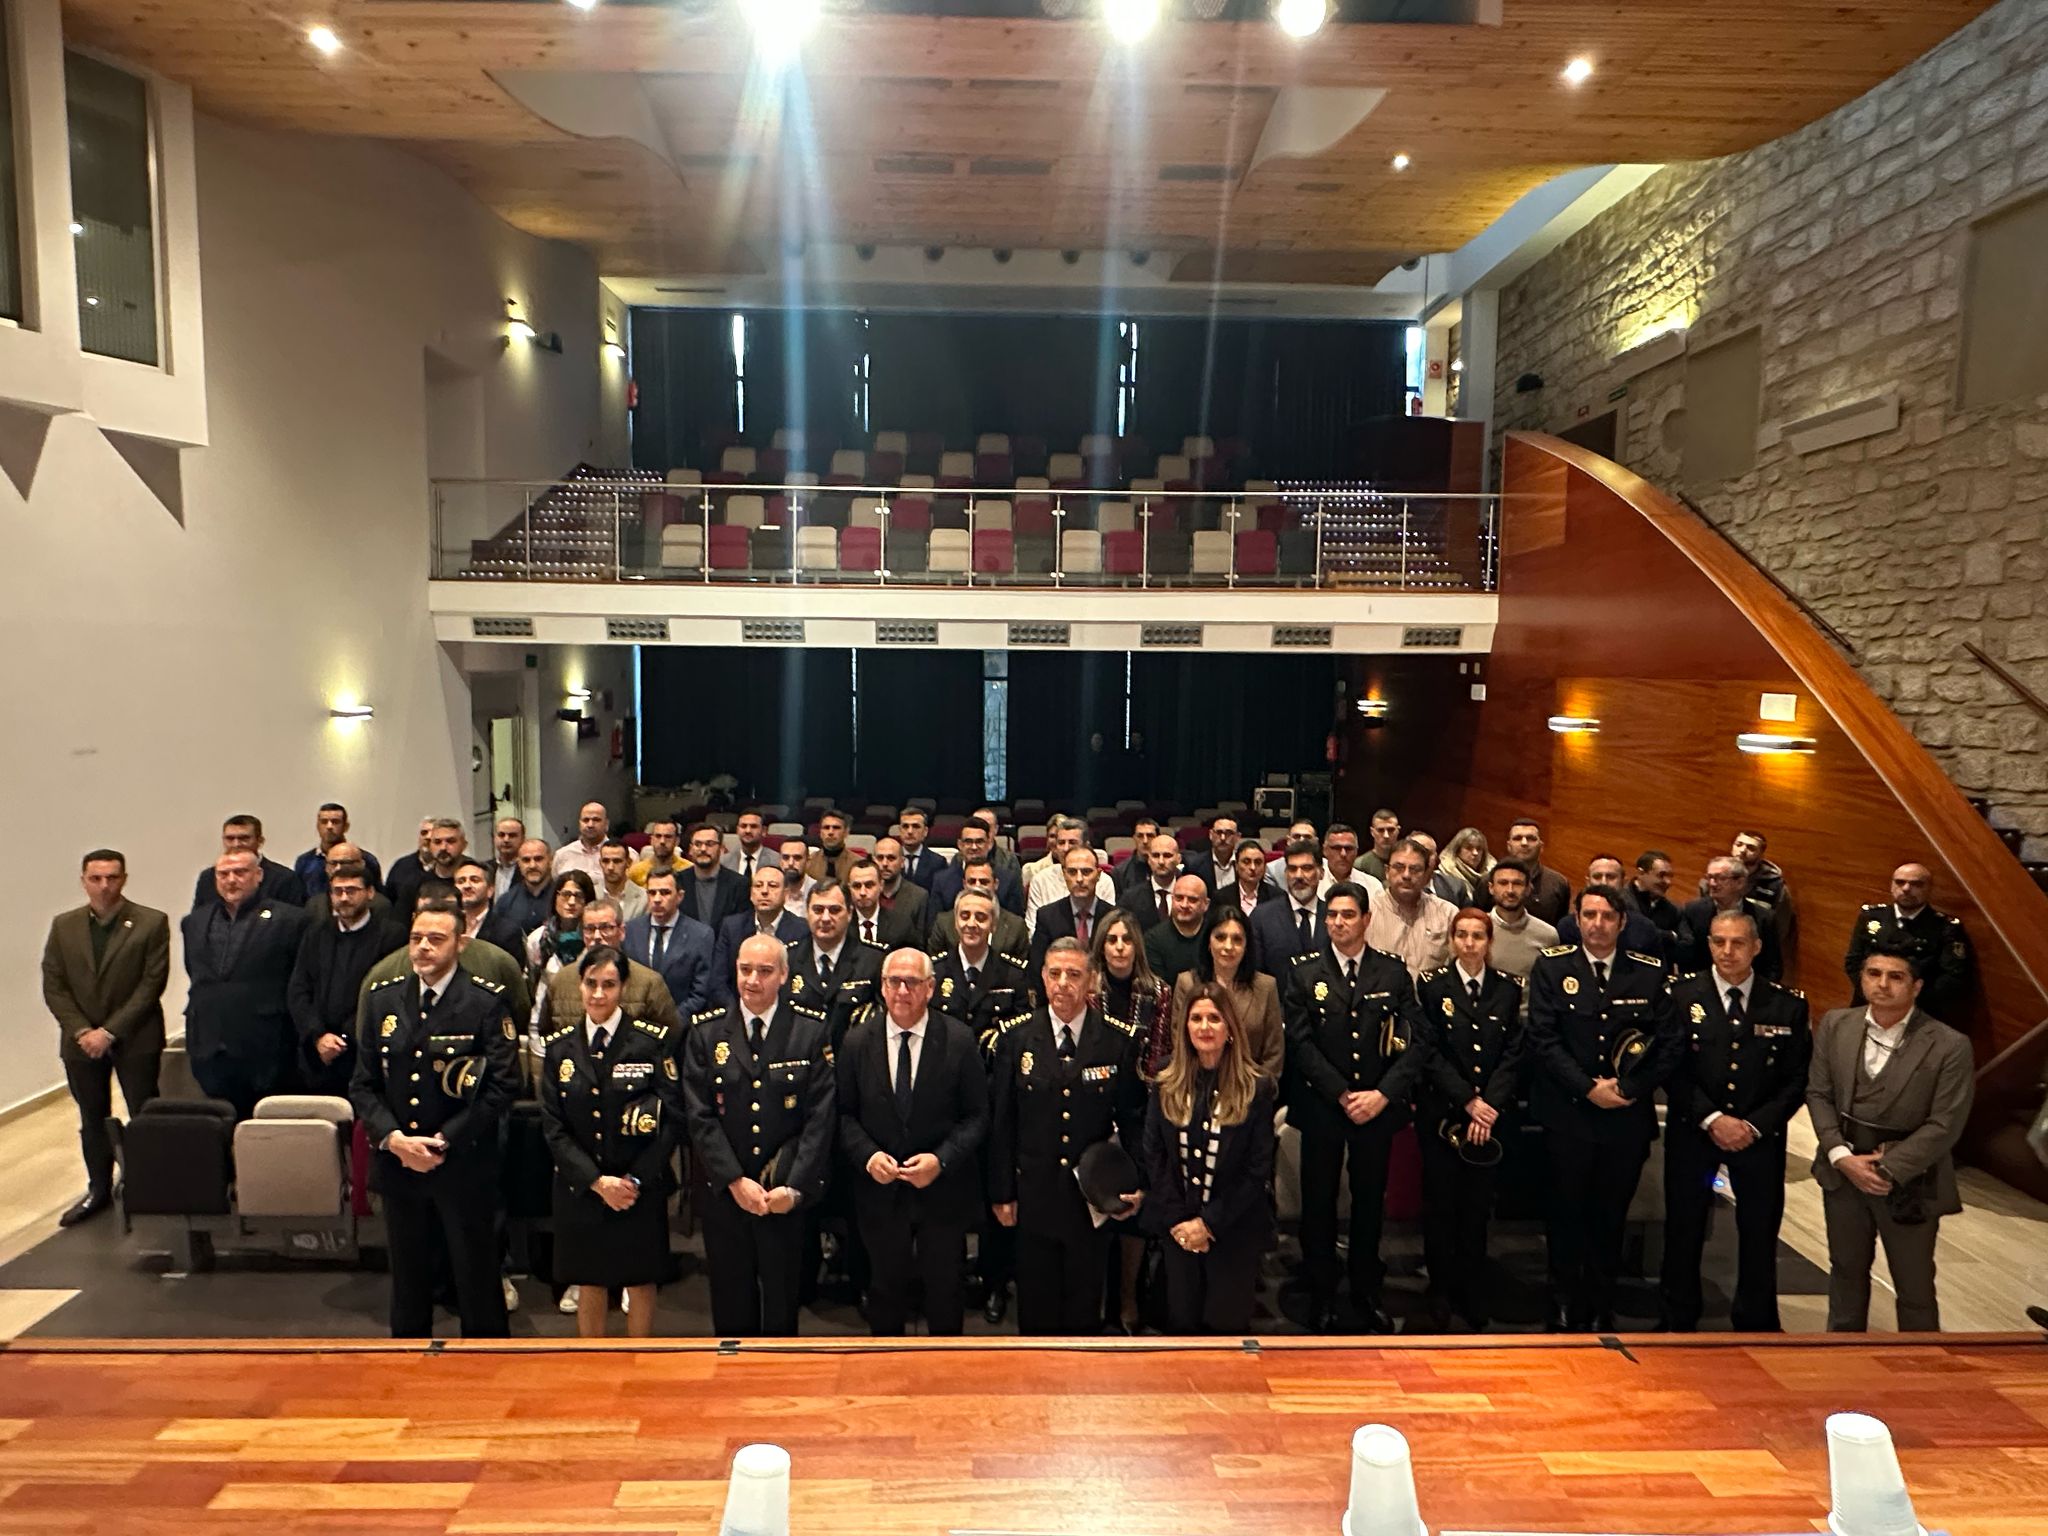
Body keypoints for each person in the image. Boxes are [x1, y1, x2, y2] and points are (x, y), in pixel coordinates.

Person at [351, 905, 519, 1338]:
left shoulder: (484, 1001)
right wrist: (393, 1139)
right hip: (400, 1164)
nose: (423, 947)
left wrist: (446, 1140)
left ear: (460, 944)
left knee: (476, 1279)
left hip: (462, 1163)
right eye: (416, 938)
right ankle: (410, 1364)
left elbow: (503, 1085)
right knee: (408, 1282)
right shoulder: (383, 999)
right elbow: (364, 1085)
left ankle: (486, 1366)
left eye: (436, 939)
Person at [1525, 886, 1683, 1331]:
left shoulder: (1648, 972)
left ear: (1622, 922)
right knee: (1565, 1213)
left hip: (1625, 1117)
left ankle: (1600, 1300)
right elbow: (1542, 1038)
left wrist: (1630, 1087)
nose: (1597, 924)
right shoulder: (1552, 966)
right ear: (1576, 919)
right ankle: (1563, 1297)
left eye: (1607, 916)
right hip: (1568, 1114)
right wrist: (1587, 1087)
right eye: (1589, 915)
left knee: (1611, 1215)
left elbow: (1669, 1044)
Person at [1283, 880, 1430, 1333]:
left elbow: (1416, 1040)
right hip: (1324, 1106)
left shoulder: (1392, 971)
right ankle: (1322, 1290)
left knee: (1369, 1203)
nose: (1338, 923)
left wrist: (1382, 1095)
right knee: (1318, 1202)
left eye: (1348, 915)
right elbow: (1300, 1043)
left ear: (1367, 920)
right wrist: (1341, 1093)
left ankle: (1366, 1289)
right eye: (1331, 915)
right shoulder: (1304, 972)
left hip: (1376, 1107)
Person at [1808, 939, 1975, 1333]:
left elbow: (1946, 1123)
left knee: (1913, 1286)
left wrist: (1887, 1169)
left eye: (1895, 977)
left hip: (1911, 1179)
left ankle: (1922, 1364)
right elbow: (1818, 1094)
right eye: (1874, 973)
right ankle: (1843, 1354)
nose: (1882, 984)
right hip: (1843, 1170)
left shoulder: (1949, 1045)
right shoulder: (1836, 1024)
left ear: (1916, 986)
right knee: (1845, 1271)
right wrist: (1841, 1157)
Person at [1659, 909, 1811, 1333]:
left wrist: (1753, 1125)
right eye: (1719, 942)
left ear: (1756, 947)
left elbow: (1797, 1078)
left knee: (1759, 1232)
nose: (1727, 951)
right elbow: (1670, 1068)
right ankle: (1677, 1319)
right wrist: (1712, 1118)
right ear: (1708, 945)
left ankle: (1756, 1323)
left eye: (1738, 942)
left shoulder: (1786, 1004)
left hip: (1758, 1137)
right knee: (1684, 1228)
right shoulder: (1680, 995)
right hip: (1695, 1130)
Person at [988, 937, 1147, 1334]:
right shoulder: (1016, 1038)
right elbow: (1003, 1122)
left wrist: (1136, 1185)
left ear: (1091, 981)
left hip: (1089, 1200)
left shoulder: (1117, 1039)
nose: (1063, 983)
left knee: (1083, 1310)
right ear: (1042, 978)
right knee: (1035, 1311)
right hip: (1034, 1196)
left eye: (1073, 975)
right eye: (1055, 973)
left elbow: (1132, 1120)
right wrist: (1002, 1193)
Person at [683, 933, 836, 1336]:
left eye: (765, 971)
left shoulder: (809, 1031)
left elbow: (819, 1118)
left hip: (782, 1194)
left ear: (784, 975)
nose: (753, 980)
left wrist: (794, 1187)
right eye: (745, 969)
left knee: (783, 1306)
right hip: (727, 1195)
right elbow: (699, 1115)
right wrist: (734, 1180)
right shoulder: (707, 1033)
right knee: (731, 1306)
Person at [838, 948, 989, 1335]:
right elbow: (843, 1116)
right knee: (885, 1295)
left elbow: (977, 1116)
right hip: (881, 1194)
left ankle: (942, 1371)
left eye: (912, 982)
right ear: (882, 987)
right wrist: (868, 1156)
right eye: (894, 982)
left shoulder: (959, 1040)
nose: (902, 991)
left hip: (943, 1193)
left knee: (945, 1294)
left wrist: (942, 1160)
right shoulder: (857, 1042)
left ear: (930, 988)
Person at [538, 945, 683, 1339]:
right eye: (591, 984)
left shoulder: (650, 1043)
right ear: (579, 986)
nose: (598, 994)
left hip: (638, 1186)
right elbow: (553, 1125)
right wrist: (596, 1182)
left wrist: (634, 1180)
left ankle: (642, 1359)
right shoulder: (560, 1048)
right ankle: (593, 1361)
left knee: (640, 1278)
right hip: (583, 1187)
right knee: (590, 1279)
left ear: (623, 987)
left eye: (609, 984)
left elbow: (671, 1119)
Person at [42, 848, 169, 1227]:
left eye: (112, 878)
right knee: (91, 1116)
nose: (104, 886)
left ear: (124, 879)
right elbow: (54, 984)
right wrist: (82, 1030)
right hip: (80, 1041)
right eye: (95, 879)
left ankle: (151, 1185)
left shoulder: (150, 922)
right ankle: (98, 1188)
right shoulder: (64, 926)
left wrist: (110, 1031)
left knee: (143, 1112)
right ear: (83, 881)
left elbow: (151, 985)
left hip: (135, 1036)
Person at [1141, 984, 1278, 1335]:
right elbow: (1154, 1153)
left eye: (1214, 1018)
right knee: (1181, 1326)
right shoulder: (1165, 1077)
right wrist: (1180, 1221)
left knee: (1225, 1329)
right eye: (1196, 1018)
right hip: (1178, 1229)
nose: (1204, 1027)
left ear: (1230, 1027)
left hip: (1232, 1230)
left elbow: (1257, 1169)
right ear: (1185, 1027)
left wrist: (1209, 1224)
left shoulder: (1256, 1086)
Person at [1415, 910, 1523, 1331]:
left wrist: (1488, 1104)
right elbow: (1428, 1050)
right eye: (1461, 935)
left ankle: (1471, 1286)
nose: (1469, 943)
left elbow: (1513, 1052)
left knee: (1477, 1207)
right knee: (1441, 1204)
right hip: (1444, 1114)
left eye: (1478, 936)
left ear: (1489, 941)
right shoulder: (1431, 986)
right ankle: (1440, 1288)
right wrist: (1467, 1101)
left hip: (1489, 1120)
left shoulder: (1508, 989)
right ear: (1451, 940)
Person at [1086, 908, 1173, 1330]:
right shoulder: (1088, 990)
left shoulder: (1158, 993)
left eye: (1126, 940)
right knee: (1095, 1210)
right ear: (1101, 946)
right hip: (1092, 1107)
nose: (1119, 947)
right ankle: (1097, 1301)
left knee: (1132, 1213)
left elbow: (1158, 1058)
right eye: (1111, 939)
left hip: (1140, 1108)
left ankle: (1127, 1300)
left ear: (1137, 946)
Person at [181, 849, 311, 1118]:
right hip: (209, 1044)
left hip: (266, 1044)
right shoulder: (194, 922)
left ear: (258, 875)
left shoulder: (290, 920)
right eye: (223, 874)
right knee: (218, 1123)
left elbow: (300, 979)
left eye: (240, 873)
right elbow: (197, 973)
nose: (231, 880)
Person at [286, 860, 405, 1097]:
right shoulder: (316, 933)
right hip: (317, 1053)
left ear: (370, 893)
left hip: (364, 1051)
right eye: (337, 891)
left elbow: (387, 994)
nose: (344, 898)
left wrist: (342, 1039)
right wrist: (318, 1035)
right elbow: (299, 989)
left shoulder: (391, 935)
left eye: (351, 891)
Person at [539, 898, 683, 1039]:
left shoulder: (649, 983)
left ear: (622, 931)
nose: (597, 936)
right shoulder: (561, 980)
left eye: (606, 928)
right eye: (590, 929)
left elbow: (671, 1037)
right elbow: (547, 1035)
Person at [1845, 863, 1973, 1020]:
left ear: (1929, 888)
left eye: (1916, 884)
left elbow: (1952, 977)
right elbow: (1853, 962)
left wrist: (1904, 1000)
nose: (1906, 888)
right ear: (1892, 886)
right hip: (1868, 1005)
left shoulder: (1945, 927)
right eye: (1900, 882)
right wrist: (1875, 994)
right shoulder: (1871, 917)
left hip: (1918, 1013)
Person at [1172, 910, 1283, 1082]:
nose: (1228, 946)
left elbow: (1274, 1054)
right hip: (1197, 1086)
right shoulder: (1187, 983)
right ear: (1208, 942)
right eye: (1220, 937)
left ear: (1246, 946)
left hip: (1250, 1088)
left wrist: (1256, 1090)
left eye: (1237, 939)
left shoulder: (1266, 987)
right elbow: (1179, 1044)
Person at [786, 878, 883, 1051]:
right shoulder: (788, 958)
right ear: (806, 912)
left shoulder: (873, 961)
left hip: (854, 1058)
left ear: (850, 913)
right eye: (818, 910)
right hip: (802, 1060)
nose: (825, 918)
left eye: (834, 910)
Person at [933, 889, 1031, 1045]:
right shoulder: (935, 971)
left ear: (994, 925)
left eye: (981, 917)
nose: (971, 924)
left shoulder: (1013, 975)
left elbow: (1021, 1031)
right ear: (955, 922)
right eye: (964, 916)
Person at [623, 868, 715, 1018]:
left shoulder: (700, 935)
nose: (657, 899)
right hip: (636, 1023)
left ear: (680, 896)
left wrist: (673, 1021)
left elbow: (700, 992)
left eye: (665, 893)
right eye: (652, 893)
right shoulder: (631, 930)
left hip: (682, 1023)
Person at [712, 865, 808, 1003]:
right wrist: (739, 1011)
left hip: (785, 1009)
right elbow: (718, 980)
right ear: (751, 894)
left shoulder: (802, 930)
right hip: (737, 1009)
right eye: (758, 886)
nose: (764, 891)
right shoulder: (732, 927)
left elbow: (800, 980)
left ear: (786, 894)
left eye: (772, 886)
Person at [1677, 857, 1782, 980]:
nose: (1712, 883)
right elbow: (1686, 958)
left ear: (1740, 883)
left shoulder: (1764, 918)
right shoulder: (1693, 911)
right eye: (1709, 877)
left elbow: (1772, 965)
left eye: (1720, 878)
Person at [1366, 838, 1458, 978]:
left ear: (1426, 875)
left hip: (1432, 992)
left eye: (1415, 869)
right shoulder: (1368, 912)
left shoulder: (1447, 914)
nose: (1406, 875)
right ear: (1387, 871)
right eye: (1399, 867)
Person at [1557, 854, 1668, 962]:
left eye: (1611, 877)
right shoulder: (1568, 926)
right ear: (1588, 882)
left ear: (1623, 882)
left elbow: (1655, 971)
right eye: (1597, 877)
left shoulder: (1645, 928)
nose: (1604, 882)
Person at [1029, 844, 1114, 980]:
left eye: (1086, 872)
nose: (1079, 879)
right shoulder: (1047, 916)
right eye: (1072, 872)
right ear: (1064, 875)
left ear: (1098, 875)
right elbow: (1038, 969)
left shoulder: (1113, 917)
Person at [189, 814, 306, 912]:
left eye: (244, 838)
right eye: (230, 839)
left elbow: (293, 922)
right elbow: (199, 920)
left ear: (260, 841)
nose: (236, 844)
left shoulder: (283, 878)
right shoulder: (208, 877)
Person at [1250, 838, 1325, 976]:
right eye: (1292, 869)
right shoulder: (1262, 917)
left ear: (1321, 872)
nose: (1298, 876)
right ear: (1285, 873)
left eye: (1306, 868)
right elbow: (1257, 975)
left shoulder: (1334, 916)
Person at [929, 856, 1030, 956]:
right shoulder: (944, 923)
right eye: (972, 881)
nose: (977, 886)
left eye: (984, 882)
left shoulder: (1016, 927)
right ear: (964, 884)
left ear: (996, 884)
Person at [1024, 819, 1116, 927]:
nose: (1065, 848)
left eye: (1072, 842)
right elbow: (1032, 926)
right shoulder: (1040, 880)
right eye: (1061, 843)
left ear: (1086, 845)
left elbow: (1110, 923)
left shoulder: (1104, 882)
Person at [1481, 861, 1558, 987]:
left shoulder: (1548, 935)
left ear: (1528, 889)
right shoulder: (1476, 930)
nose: (1510, 890)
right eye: (1503, 883)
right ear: (1491, 888)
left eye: (1517, 883)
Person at [930, 819, 1025, 917]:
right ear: (960, 845)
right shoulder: (941, 881)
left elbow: (1016, 921)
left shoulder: (1009, 880)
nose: (974, 847)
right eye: (968, 842)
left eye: (979, 842)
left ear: (989, 844)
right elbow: (935, 922)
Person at [293, 803, 381, 899]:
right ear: (317, 826)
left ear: (346, 826)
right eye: (324, 822)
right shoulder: (305, 861)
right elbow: (298, 898)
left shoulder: (364, 859)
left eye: (335, 822)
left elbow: (377, 897)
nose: (329, 826)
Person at [1143, 873, 1213, 985]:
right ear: (1172, 899)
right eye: (1179, 898)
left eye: (1192, 900)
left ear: (1206, 904)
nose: (1184, 905)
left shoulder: (1215, 935)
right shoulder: (1153, 939)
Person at [303, 841, 394, 925]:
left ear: (361, 864)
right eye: (333, 863)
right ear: (326, 867)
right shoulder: (314, 905)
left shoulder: (380, 905)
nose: (338, 868)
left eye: (345, 862)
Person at [1501, 819, 1571, 925]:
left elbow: (1561, 925)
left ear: (1541, 846)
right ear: (1508, 846)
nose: (1524, 843)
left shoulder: (1558, 883)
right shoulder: (1489, 881)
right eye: (1517, 838)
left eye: (1531, 838)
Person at [681, 822, 748, 930]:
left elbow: (741, 927)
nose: (703, 849)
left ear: (721, 849)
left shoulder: (739, 884)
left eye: (710, 844)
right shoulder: (678, 881)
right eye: (698, 844)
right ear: (690, 849)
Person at [847, 857, 919, 950]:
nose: (863, 892)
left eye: (869, 885)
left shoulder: (901, 923)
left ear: (881, 885)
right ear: (849, 888)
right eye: (857, 886)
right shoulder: (841, 924)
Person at [869, 836, 930, 939]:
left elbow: (921, 939)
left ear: (902, 862)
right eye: (880, 858)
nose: (885, 864)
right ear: (873, 860)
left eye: (891, 858)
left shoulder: (919, 897)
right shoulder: (864, 893)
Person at [497, 838, 557, 941]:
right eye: (526, 860)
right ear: (519, 863)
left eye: (538, 859)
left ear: (550, 861)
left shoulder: (562, 897)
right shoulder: (505, 902)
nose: (532, 865)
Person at [1126, 832, 1184, 931]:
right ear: (1149, 859)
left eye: (1167, 855)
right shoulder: (1130, 899)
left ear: (1178, 859)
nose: (1161, 862)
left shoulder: (1192, 895)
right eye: (1156, 856)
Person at [1623, 850, 1682, 941]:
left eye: (1670, 876)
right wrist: (1669, 935)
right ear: (1641, 873)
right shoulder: (1618, 900)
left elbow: (1683, 942)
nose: (1668, 882)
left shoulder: (1673, 910)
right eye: (1661, 875)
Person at [1431, 828, 1494, 908]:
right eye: (1469, 848)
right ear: (1457, 850)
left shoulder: (1491, 876)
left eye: (1479, 849)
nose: (1475, 853)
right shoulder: (1443, 877)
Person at [384, 818, 437, 913]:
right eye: (424, 833)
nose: (428, 837)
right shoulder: (401, 865)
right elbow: (389, 899)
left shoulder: (447, 867)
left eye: (434, 834)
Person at [1183, 814, 1243, 892]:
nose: (1223, 838)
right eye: (1218, 832)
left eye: (1228, 833)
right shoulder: (1194, 865)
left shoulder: (1245, 864)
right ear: (1210, 835)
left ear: (1238, 837)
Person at [553, 801, 610, 881]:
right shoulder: (562, 854)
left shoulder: (623, 854)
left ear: (606, 824)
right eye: (586, 820)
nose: (590, 825)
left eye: (596, 820)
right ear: (579, 823)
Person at [597, 838, 648, 922]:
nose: (610, 867)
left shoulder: (644, 898)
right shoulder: (591, 894)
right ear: (600, 863)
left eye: (617, 861)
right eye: (605, 861)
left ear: (628, 862)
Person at [722, 810, 782, 882]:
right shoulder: (723, 862)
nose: (748, 831)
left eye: (753, 826)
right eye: (743, 826)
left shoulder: (777, 861)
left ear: (764, 831)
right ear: (737, 830)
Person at [1225, 842, 1282, 918]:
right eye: (1246, 862)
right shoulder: (1222, 897)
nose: (1253, 867)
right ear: (1236, 866)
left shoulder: (1278, 897)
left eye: (1258, 862)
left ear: (1264, 867)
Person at [896, 807, 946, 890]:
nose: (910, 831)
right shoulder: (889, 859)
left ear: (925, 831)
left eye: (916, 826)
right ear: (900, 830)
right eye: (905, 826)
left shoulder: (938, 862)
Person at [627, 818, 685, 888]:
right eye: (658, 836)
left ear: (677, 841)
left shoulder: (688, 869)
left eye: (668, 837)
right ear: (651, 840)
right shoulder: (635, 873)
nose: (662, 841)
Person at [807, 809, 860, 886]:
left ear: (846, 832)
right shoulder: (809, 862)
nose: (830, 832)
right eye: (826, 827)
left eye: (836, 828)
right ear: (820, 832)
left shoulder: (857, 863)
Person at [1355, 810, 1401, 885]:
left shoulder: (1406, 862)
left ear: (1398, 830)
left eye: (1391, 830)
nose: (1386, 836)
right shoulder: (1360, 865)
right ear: (1372, 832)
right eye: (1380, 830)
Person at [778, 836, 817, 917]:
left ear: (808, 862)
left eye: (797, 858)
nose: (790, 863)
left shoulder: (818, 891)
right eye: (786, 858)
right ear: (780, 861)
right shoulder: (771, 889)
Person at [489, 816, 525, 899]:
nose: (506, 840)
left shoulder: (528, 869)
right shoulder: (485, 869)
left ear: (523, 839)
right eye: (501, 835)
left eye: (512, 835)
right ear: (494, 838)